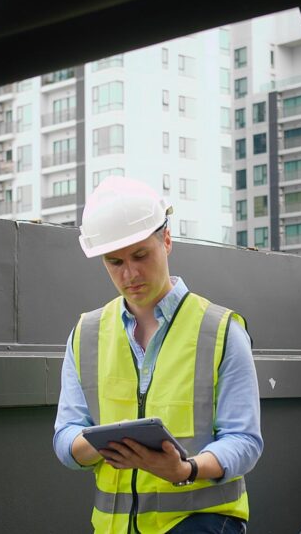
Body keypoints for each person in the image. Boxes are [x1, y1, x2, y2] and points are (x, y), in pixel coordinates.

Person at [53, 177, 263, 534]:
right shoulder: (85, 335)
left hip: (202, 524)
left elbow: (244, 440)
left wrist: (187, 470)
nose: (130, 273)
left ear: (166, 240)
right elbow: (65, 436)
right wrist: (104, 446)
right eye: (114, 261)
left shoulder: (222, 331)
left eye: (140, 255)